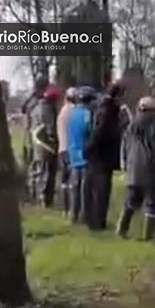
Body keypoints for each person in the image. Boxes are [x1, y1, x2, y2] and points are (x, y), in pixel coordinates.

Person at [116, 97, 155, 241]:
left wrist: (125, 166)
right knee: (153, 204)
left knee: (131, 201)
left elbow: (124, 148)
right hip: (152, 172)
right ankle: (148, 236)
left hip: (133, 171)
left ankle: (121, 229)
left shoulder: (131, 126)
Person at [86, 81, 126, 231]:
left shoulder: (105, 108)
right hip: (102, 155)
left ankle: (94, 219)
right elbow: (100, 132)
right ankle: (97, 222)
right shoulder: (108, 110)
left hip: (101, 154)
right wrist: (91, 147)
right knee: (101, 190)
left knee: (98, 189)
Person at [67, 87, 95, 224]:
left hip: (73, 153)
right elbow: (90, 132)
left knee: (74, 187)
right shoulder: (87, 114)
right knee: (85, 189)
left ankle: (73, 214)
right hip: (85, 154)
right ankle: (85, 216)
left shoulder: (71, 113)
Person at [30, 86, 62, 207]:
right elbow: (50, 129)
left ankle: (37, 196)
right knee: (46, 172)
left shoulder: (36, 108)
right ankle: (44, 199)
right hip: (46, 146)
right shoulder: (47, 110)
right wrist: (55, 140)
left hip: (37, 144)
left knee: (39, 171)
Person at [57, 87, 77, 216]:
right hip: (71, 148)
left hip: (62, 148)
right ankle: (72, 209)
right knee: (72, 181)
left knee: (64, 181)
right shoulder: (74, 111)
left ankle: (64, 209)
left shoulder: (62, 111)